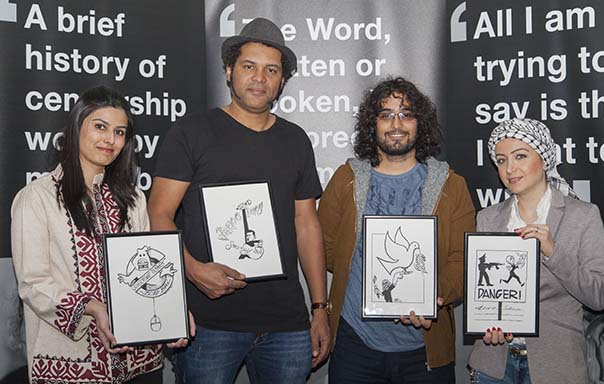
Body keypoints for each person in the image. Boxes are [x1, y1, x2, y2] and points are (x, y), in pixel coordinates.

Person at [148, 17, 329, 384]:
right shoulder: (191, 133)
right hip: (209, 323)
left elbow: (307, 224)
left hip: (287, 323)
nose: (259, 78)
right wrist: (192, 269)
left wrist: (320, 307)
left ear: (281, 81)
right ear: (229, 70)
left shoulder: (295, 140)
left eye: (271, 70)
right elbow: (159, 214)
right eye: (249, 66)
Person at [10, 86, 192, 384]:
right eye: (100, 127)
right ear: (76, 127)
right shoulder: (36, 198)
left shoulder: (133, 198)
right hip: (72, 361)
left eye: (120, 132)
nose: (110, 139)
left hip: (139, 361)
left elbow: (147, 269)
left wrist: (173, 311)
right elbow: (33, 284)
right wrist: (92, 308)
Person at [318, 77, 475, 383]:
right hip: (355, 344)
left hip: (425, 349)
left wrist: (433, 296)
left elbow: (463, 258)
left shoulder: (452, 186)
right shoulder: (345, 179)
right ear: (372, 124)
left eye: (406, 114)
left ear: (421, 123)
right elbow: (325, 248)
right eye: (386, 114)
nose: (396, 124)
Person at [468, 118, 604, 384]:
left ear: (544, 159)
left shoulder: (583, 215)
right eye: (501, 160)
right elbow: (483, 293)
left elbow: (600, 296)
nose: (510, 168)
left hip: (557, 366)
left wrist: (552, 252)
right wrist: (485, 326)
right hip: (493, 365)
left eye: (520, 156)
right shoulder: (487, 218)